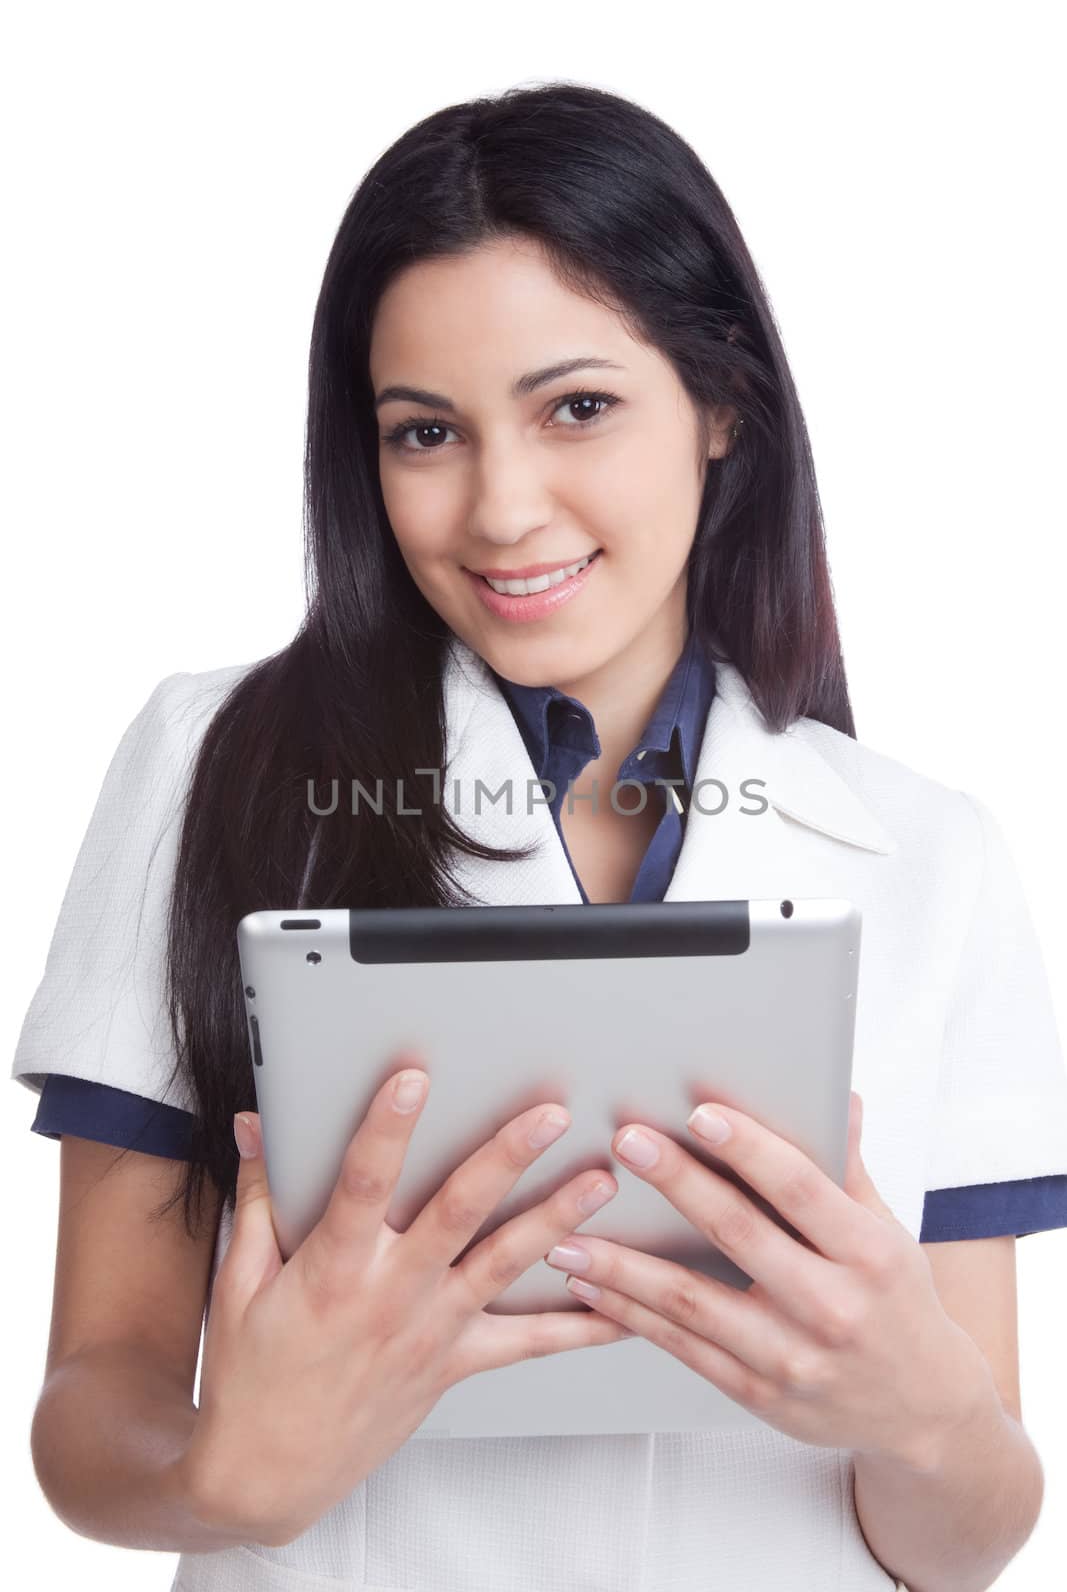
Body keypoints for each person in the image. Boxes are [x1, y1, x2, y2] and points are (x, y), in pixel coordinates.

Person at [12, 80, 1067, 1592]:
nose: (502, 510)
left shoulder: (932, 856)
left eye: (578, 407)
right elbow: (88, 1410)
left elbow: (961, 1542)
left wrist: (924, 1415)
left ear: (720, 407)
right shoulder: (216, 764)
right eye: (426, 431)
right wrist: (226, 1478)